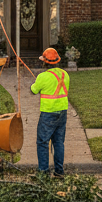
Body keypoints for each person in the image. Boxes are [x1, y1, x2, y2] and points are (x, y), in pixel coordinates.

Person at [30, 47, 69, 177]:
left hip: (48, 113)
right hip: (62, 112)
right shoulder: (65, 74)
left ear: (44, 62)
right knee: (58, 142)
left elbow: (33, 90)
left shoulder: (43, 76)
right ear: (57, 61)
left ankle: (43, 172)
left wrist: (35, 83)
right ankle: (59, 171)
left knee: (42, 142)